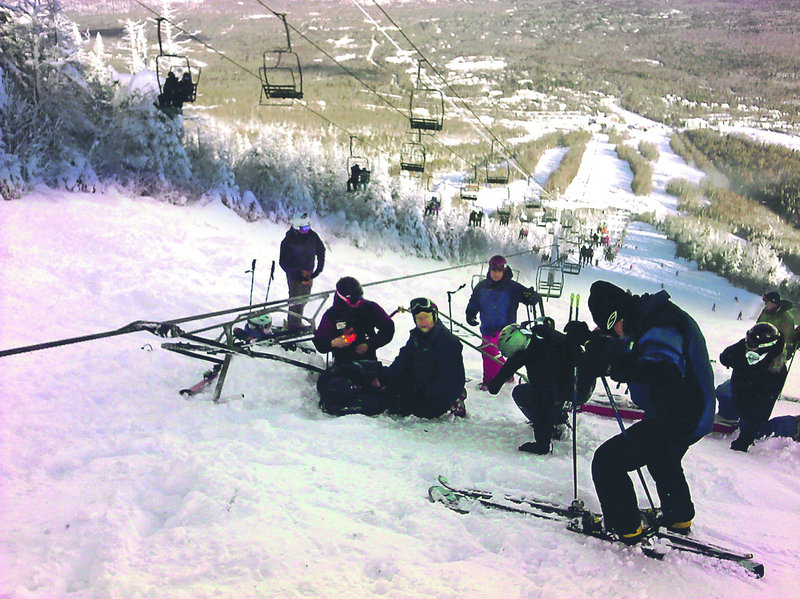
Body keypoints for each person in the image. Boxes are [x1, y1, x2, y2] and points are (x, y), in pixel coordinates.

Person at [581, 280, 715, 544]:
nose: (613, 332)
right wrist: (594, 341)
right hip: (687, 412)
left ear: (619, 311)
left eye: (611, 324)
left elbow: (664, 370)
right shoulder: (644, 317)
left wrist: (614, 366)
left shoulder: (661, 323)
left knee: (608, 462)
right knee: (662, 458)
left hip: (680, 416)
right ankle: (679, 516)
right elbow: (629, 343)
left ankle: (625, 527)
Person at [486, 318, 593, 454]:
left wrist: (542, 443)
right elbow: (514, 362)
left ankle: (554, 423)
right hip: (573, 381)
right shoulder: (535, 341)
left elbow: (544, 400)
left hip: (577, 388)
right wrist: (496, 382)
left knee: (533, 397)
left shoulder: (543, 363)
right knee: (537, 394)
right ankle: (556, 418)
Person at [376, 298, 466, 419]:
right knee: (386, 398)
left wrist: (422, 394)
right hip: (420, 385)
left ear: (434, 317)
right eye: (419, 318)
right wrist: (385, 380)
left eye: (426, 317)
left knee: (413, 408)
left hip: (440, 392)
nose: (423, 322)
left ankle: (455, 403)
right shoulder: (416, 338)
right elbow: (401, 363)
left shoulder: (449, 342)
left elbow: (450, 379)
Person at [466, 255, 543, 390]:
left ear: (504, 271)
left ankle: (504, 375)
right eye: (493, 271)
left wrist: (532, 296)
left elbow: (528, 296)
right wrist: (471, 314)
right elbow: (474, 302)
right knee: (488, 353)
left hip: (506, 329)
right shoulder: (482, 287)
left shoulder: (512, 287)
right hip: (487, 327)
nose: (496, 274)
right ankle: (490, 379)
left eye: (499, 271)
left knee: (499, 352)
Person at [719, 322, 785, 452]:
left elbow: (762, 408)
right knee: (722, 391)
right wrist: (731, 359)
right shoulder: (748, 345)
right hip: (742, 390)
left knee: (759, 429)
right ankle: (729, 417)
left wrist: (744, 441)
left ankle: (793, 425)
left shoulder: (775, 369)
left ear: (765, 346)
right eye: (747, 339)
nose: (747, 344)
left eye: (752, 343)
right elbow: (728, 354)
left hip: (755, 402)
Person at [312, 277, 395, 365]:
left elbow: (388, 327)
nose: (358, 303)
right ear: (342, 298)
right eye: (353, 301)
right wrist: (333, 343)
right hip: (342, 364)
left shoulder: (370, 308)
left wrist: (370, 345)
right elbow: (319, 341)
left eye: (360, 299)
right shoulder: (332, 315)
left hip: (368, 361)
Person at [279, 212, 326, 331]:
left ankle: (296, 321)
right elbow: (283, 262)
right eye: (304, 228)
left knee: (304, 299)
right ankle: (293, 326)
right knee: (296, 301)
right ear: (296, 228)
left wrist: (318, 270)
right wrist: (298, 274)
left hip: (309, 274)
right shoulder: (288, 241)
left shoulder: (312, 236)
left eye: (308, 227)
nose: (306, 230)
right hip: (294, 276)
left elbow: (321, 250)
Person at [756, 291, 798, 388]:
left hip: (776, 356)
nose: (765, 304)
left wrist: (783, 355)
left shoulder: (785, 318)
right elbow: (758, 327)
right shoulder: (765, 312)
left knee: (767, 382)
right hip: (760, 351)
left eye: (767, 302)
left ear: (774, 303)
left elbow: (788, 340)